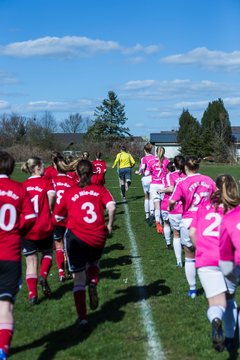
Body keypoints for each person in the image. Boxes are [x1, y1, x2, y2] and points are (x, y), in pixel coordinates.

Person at [53, 159, 116, 327]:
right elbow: (112, 206)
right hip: (97, 235)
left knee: (79, 278)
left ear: (77, 173)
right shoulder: (100, 189)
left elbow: (57, 217)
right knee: (94, 262)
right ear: (92, 172)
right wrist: (109, 225)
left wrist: (69, 217)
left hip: (76, 238)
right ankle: (94, 283)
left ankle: (82, 318)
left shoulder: (69, 191)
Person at [189, 175, 239, 353]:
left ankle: (216, 321)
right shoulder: (236, 209)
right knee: (230, 300)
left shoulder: (203, 207)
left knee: (216, 303)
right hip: (229, 260)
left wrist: (201, 249)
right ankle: (232, 340)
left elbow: (193, 233)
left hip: (206, 259)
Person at [0, 151, 36, 359]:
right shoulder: (19, 189)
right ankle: (3, 348)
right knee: (5, 304)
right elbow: (30, 217)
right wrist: (16, 229)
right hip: (10, 253)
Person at [169, 156, 216, 298]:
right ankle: (213, 288)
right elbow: (217, 195)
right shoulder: (209, 180)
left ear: (185, 168)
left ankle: (193, 289)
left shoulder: (183, 182)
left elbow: (172, 200)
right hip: (206, 220)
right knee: (208, 255)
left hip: (189, 220)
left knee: (189, 256)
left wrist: (171, 208)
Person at [21, 157, 56, 304]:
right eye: (42, 165)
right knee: (48, 253)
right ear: (38, 167)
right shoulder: (46, 182)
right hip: (44, 226)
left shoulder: (23, 186)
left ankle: (32, 294)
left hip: (27, 229)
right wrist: (49, 208)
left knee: (30, 261)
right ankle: (43, 275)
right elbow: (52, 195)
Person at [51, 155, 76, 282]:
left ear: (56, 167)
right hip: (69, 217)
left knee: (59, 245)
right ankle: (72, 271)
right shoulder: (72, 182)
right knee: (70, 245)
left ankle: (61, 273)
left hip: (56, 217)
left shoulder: (52, 181)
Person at [145, 146, 169, 234]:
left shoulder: (151, 161)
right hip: (163, 185)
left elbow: (147, 173)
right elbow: (169, 172)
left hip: (154, 185)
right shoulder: (167, 161)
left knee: (156, 204)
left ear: (156, 152)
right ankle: (165, 222)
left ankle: (158, 222)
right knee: (163, 205)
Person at [135, 143, 155, 224]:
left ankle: (147, 215)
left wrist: (138, 172)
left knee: (146, 196)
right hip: (153, 178)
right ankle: (152, 213)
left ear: (144, 150)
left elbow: (143, 167)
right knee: (152, 196)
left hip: (146, 178)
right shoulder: (154, 157)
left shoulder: (144, 158)